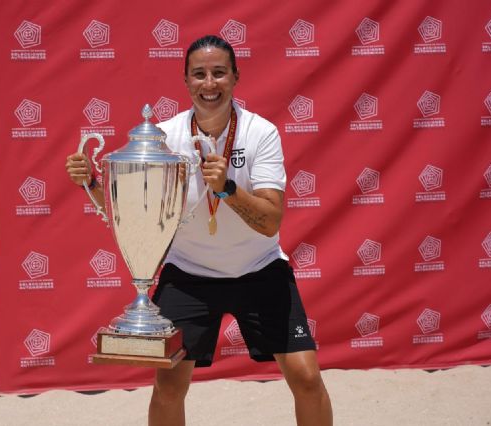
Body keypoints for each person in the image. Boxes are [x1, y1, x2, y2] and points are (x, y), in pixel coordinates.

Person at [66, 34, 333, 426]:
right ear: (186, 81)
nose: (210, 84)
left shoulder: (261, 132)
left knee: (307, 377)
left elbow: (270, 221)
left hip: (259, 268)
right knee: (168, 386)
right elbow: (138, 215)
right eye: (200, 74)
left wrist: (226, 189)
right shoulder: (165, 136)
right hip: (189, 274)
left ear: (236, 78)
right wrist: (92, 182)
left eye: (219, 73)